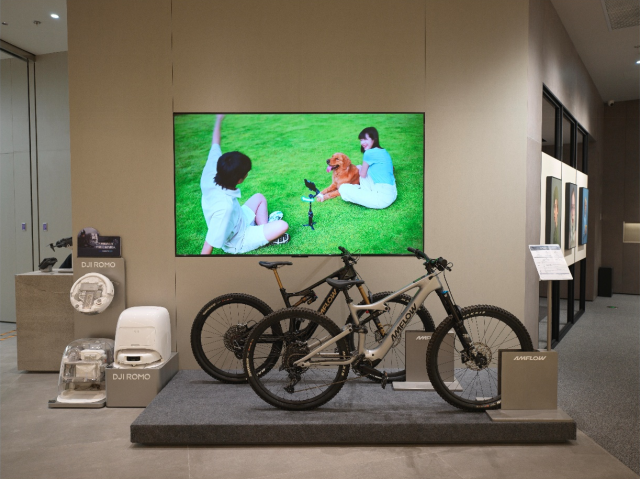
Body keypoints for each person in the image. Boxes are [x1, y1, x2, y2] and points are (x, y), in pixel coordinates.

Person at [200, 115, 289, 254]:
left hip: (240, 218)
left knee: (259, 197)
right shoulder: (225, 208)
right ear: (239, 180)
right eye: (246, 172)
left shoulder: (211, 173)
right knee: (283, 225)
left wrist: (218, 119)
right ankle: (268, 236)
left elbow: (215, 143)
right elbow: (208, 245)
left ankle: (264, 228)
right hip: (238, 240)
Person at [333, 127, 397, 209]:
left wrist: (358, 168)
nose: (362, 142)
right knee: (362, 168)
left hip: (381, 199)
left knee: (343, 188)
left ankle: (361, 190)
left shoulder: (369, 153)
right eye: (361, 140)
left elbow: (362, 174)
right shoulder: (383, 151)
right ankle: (363, 191)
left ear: (374, 139)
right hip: (392, 193)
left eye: (365, 139)